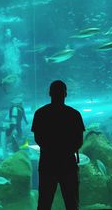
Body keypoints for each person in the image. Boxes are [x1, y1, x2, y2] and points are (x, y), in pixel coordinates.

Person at [31, 80, 85, 210]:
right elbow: (79, 140)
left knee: (44, 202)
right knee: (72, 202)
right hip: (68, 164)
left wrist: (52, 150)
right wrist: (65, 150)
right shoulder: (74, 114)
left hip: (47, 163)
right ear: (65, 94)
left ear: (50, 93)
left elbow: (38, 138)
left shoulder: (40, 113)